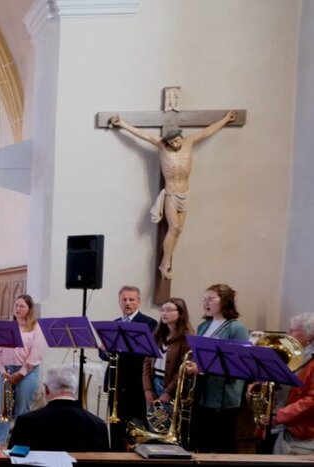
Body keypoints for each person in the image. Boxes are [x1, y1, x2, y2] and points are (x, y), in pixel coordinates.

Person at [108, 110, 238, 280]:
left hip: (185, 193)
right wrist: (122, 124)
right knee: (174, 227)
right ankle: (166, 262)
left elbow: (207, 131)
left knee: (178, 230)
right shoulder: (162, 147)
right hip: (171, 194)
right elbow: (143, 136)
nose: (175, 144)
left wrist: (226, 119)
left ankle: (165, 262)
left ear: (181, 137)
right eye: (171, 141)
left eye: (177, 140)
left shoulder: (189, 142)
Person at [189, 283, 249, 453]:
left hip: (223, 395)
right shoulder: (203, 326)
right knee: (203, 440)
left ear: (225, 301)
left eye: (211, 299)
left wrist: (201, 368)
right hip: (203, 391)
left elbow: (240, 364)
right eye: (204, 299)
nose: (206, 303)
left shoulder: (236, 327)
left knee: (222, 442)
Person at [99, 285, 157, 451]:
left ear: (138, 302)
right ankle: (115, 454)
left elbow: (148, 355)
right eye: (124, 299)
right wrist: (104, 350)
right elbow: (105, 357)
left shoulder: (149, 323)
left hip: (135, 381)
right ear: (119, 302)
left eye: (132, 299)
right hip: (115, 382)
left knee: (136, 424)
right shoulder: (114, 324)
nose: (127, 303)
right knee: (115, 423)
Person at [8, 364, 109, 452]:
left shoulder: (26, 422)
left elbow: (12, 460)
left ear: (47, 390)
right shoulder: (98, 425)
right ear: (75, 391)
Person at [0, 294, 47, 443]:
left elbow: (36, 354)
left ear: (29, 309)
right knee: (3, 411)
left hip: (27, 373)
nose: (18, 309)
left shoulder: (36, 327)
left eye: (22, 306)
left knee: (22, 411)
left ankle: (18, 443)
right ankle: (0, 444)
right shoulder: (7, 327)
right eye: (16, 305)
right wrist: (3, 370)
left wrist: (21, 373)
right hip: (6, 371)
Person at [141, 297, 193, 434]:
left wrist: (168, 392)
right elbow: (146, 363)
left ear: (180, 313)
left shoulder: (186, 338)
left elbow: (182, 369)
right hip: (154, 383)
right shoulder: (157, 335)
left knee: (166, 427)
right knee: (153, 425)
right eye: (162, 310)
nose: (164, 313)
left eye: (169, 310)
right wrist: (147, 388)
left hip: (170, 385)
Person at [276, 313, 314, 455]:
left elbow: (311, 400)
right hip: (283, 423)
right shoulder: (295, 354)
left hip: (301, 431)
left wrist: (280, 416)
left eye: (292, 330)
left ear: (309, 337)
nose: (288, 333)